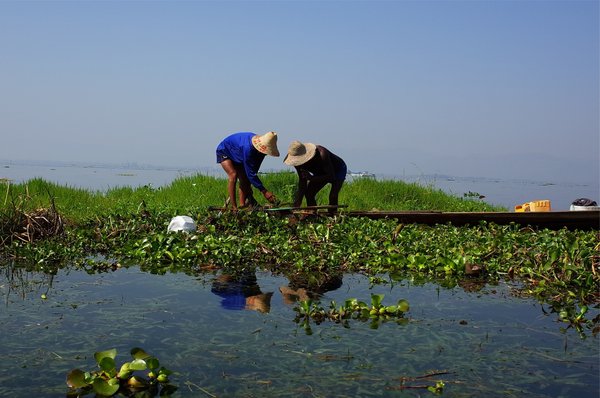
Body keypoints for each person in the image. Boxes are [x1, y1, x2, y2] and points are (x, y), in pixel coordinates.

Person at [216, 131, 280, 210]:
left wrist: (249, 187)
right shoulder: (248, 149)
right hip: (225, 150)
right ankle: (234, 207)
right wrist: (264, 192)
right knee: (233, 175)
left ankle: (243, 206)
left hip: (239, 153)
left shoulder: (261, 152)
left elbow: (253, 171)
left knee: (244, 179)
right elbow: (250, 174)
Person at [283, 141, 347, 213]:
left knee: (333, 196)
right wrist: (298, 200)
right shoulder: (297, 163)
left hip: (337, 170)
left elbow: (331, 177)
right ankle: (313, 215)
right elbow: (302, 181)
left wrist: (312, 178)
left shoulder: (322, 154)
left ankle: (333, 216)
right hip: (319, 172)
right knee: (309, 194)